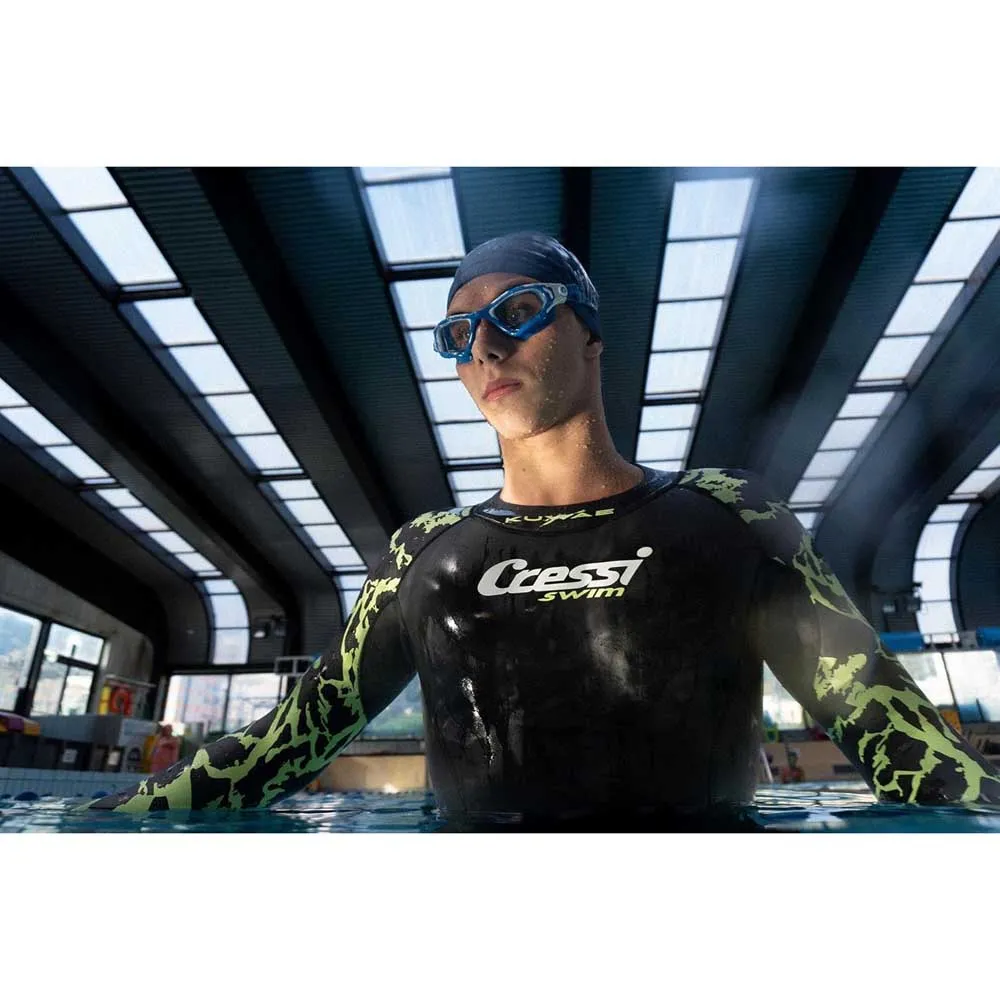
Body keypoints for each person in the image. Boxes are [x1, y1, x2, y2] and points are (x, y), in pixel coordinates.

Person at [86, 232, 1000, 829]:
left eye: (517, 313)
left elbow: (899, 738)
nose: (485, 348)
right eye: (458, 336)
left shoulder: (733, 515)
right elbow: (291, 740)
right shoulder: (423, 553)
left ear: (591, 336)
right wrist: (101, 816)